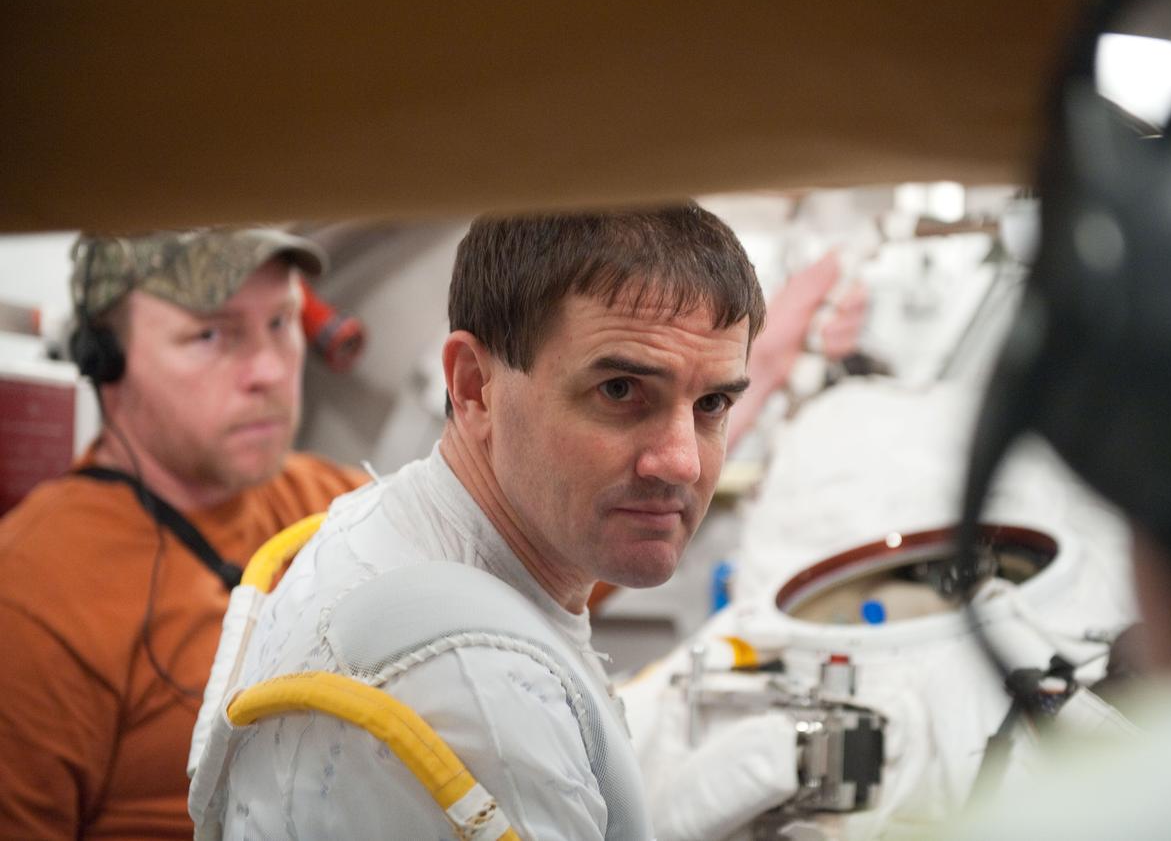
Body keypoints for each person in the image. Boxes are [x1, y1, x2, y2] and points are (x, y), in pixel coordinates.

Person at [189, 204, 765, 838]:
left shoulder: (384, 526)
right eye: (621, 390)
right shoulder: (475, 685)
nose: (681, 462)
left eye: (712, 403)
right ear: (473, 387)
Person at [0, 228, 368, 839]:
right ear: (105, 358)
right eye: (212, 334)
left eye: (280, 323)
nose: (270, 371)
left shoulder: (329, 505)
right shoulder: (32, 601)